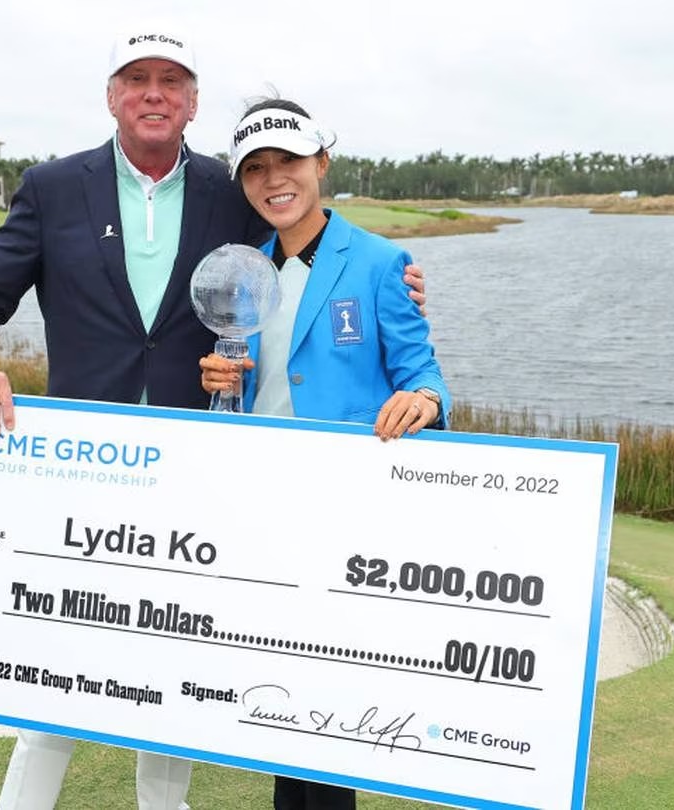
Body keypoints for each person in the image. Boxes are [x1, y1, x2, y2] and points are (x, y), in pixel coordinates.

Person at [0, 29, 430, 810]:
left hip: (194, 470)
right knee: (53, 671)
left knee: (169, 673)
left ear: (193, 101)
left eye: (172, 80)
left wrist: (392, 284)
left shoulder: (225, 190)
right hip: (83, 468)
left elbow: (301, 247)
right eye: (137, 78)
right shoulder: (54, 187)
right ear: (111, 96)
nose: (154, 93)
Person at [199, 97, 451, 807]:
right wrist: (219, 382)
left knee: (333, 702)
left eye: (289, 161)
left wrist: (425, 401)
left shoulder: (380, 261)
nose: (274, 179)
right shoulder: (244, 270)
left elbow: (423, 373)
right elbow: (244, 382)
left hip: (348, 510)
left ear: (322, 163)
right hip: (263, 506)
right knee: (281, 694)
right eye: (256, 168)